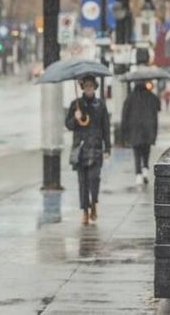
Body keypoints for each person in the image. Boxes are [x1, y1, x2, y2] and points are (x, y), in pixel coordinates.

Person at [65, 75, 111, 226]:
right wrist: (75, 118)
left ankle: (94, 203)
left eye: (91, 86)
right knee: (83, 182)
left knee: (94, 179)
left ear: (95, 87)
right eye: (86, 86)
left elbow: (106, 127)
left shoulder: (100, 105)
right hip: (81, 148)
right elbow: (68, 125)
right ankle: (85, 210)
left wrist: (107, 148)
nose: (88, 89)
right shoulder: (76, 105)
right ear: (82, 88)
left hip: (96, 147)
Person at [121, 81, 162, 185]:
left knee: (137, 153)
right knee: (146, 151)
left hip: (134, 130)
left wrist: (124, 132)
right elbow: (158, 107)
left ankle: (138, 175)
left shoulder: (130, 98)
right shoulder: (151, 96)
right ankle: (145, 171)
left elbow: (124, 115)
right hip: (148, 130)